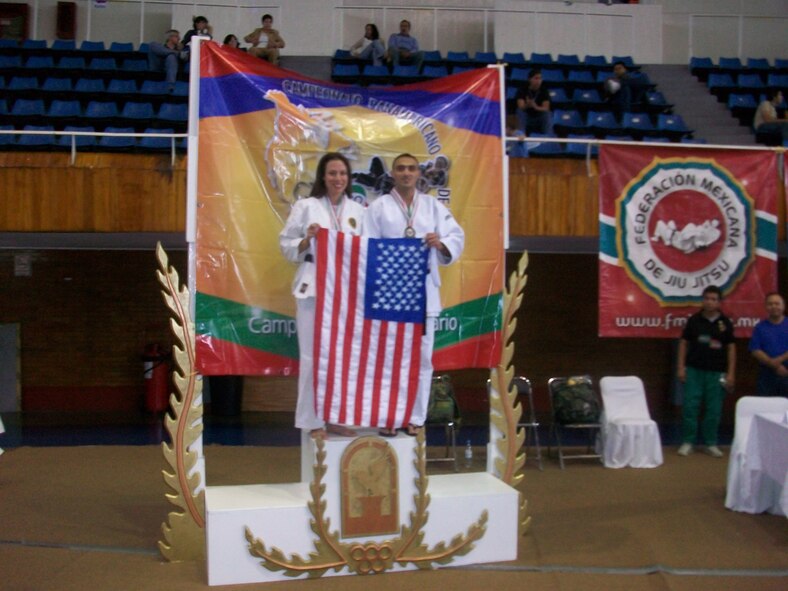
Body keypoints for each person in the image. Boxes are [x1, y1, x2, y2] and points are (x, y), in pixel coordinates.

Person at [363, 153, 465, 436]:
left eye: (411, 168)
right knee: (387, 358)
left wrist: (440, 243)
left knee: (421, 359)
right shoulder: (378, 208)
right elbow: (366, 247)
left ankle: (415, 417)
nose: (406, 173)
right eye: (400, 168)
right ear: (393, 173)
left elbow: (456, 237)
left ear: (419, 173)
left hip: (422, 294)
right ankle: (388, 415)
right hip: (389, 295)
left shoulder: (433, 207)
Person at [278, 153, 365, 439]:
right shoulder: (306, 207)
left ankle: (337, 416)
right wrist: (307, 239)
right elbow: (286, 245)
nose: (338, 179)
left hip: (347, 290)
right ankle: (313, 420)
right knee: (312, 355)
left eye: (342, 174)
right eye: (332, 174)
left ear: (348, 178)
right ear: (322, 177)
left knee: (343, 356)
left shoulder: (359, 210)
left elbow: (367, 250)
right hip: (314, 286)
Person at [677, 285, 736, 458]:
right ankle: (688, 442)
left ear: (719, 302)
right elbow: (683, 343)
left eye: (714, 299)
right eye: (707, 298)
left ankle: (710, 443)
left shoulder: (725, 323)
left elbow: (731, 349)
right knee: (690, 407)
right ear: (703, 300)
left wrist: (731, 373)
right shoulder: (694, 320)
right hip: (694, 371)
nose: (710, 302)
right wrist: (681, 367)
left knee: (714, 409)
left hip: (716, 373)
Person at [749, 292, 788, 397]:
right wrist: (772, 364)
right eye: (770, 304)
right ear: (766, 307)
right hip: (767, 375)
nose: (774, 306)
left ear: (783, 306)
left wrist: (779, 360)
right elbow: (755, 350)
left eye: (777, 303)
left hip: (786, 371)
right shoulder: (760, 327)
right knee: (766, 407)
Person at [515, 69, 552, 135]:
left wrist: (535, 107)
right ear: (530, 79)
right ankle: (521, 136)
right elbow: (520, 107)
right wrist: (527, 105)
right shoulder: (522, 90)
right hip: (527, 116)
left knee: (547, 114)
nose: (538, 81)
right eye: (536, 78)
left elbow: (546, 108)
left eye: (540, 78)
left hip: (539, 117)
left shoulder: (544, 91)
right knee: (519, 112)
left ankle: (547, 138)